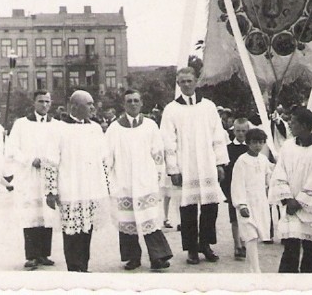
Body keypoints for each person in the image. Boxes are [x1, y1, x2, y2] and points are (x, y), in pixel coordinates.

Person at [160, 67, 229, 265]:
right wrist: (173, 169)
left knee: (210, 206)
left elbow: (218, 136)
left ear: (196, 81)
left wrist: (219, 163)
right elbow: (168, 141)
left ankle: (205, 244)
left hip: (207, 163)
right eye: (182, 81)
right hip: (186, 164)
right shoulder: (171, 109)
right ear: (178, 83)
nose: (186, 84)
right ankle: (191, 248)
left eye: (189, 80)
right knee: (188, 208)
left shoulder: (208, 107)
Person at [104, 89, 173, 271]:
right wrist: (110, 182)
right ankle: (132, 258)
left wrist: (158, 178)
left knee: (149, 218)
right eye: (129, 101)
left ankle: (157, 257)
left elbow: (158, 153)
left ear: (142, 103)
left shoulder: (150, 125)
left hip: (146, 180)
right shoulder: (114, 128)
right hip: (124, 181)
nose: (133, 104)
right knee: (127, 221)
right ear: (124, 104)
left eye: (136, 100)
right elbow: (107, 158)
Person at [43, 90, 110, 272]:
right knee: (71, 232)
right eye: (88, 104)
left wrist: (107, 185)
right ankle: (74, 269)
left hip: (90, 188)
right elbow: (50, 162)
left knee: (86, 229)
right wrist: (50, 191)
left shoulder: (95, 128)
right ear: (74, 107)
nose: (93, 107)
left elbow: (105, 160)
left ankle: (84, 267)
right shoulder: (58, 128)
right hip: (69, 187)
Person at [268, 107, 312, 273]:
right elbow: (280, 171)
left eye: (293, 122)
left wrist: (300, 201)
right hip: (291, 206)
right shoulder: (287, 146)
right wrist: (287, 198)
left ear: (305, 125)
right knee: (290, 249)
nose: (290, 125)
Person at [5, 90, 59, 270]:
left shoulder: (56, 125)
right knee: (30, 214)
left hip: (47, 175)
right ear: (34, 103)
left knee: (46, 213)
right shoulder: (21, 124)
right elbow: (12, 148)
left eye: (47, 102)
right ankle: (32, 255)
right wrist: (30, 160)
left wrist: (49, 162)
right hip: (28, 174)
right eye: (41, 101)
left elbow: (59, 148)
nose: (44, 105)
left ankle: (44, 254)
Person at [231, 128, 273, 273]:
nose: (257, 146)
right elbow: (237, 183)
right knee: (250, 236)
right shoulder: (242, 161)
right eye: (254, 142)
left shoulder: (263, 159)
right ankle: (256, 270)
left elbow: (269, 177)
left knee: (255, 236)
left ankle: (248, 269)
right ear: (248, 143)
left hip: (260, 201)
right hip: (246, 202)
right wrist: (241, 204)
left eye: (261, 142)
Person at [220, 118, 250, 258]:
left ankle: (245, 243)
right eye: (238, 130)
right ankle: (237, 245)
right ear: (233, 131)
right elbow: (226, 173)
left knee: (246, 217)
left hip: (247, 188)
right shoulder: (228, 149)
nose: (241, 133)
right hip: (233, 188)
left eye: (244, 131)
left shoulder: (250, 149)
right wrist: (226, 191)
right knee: (234, 218)